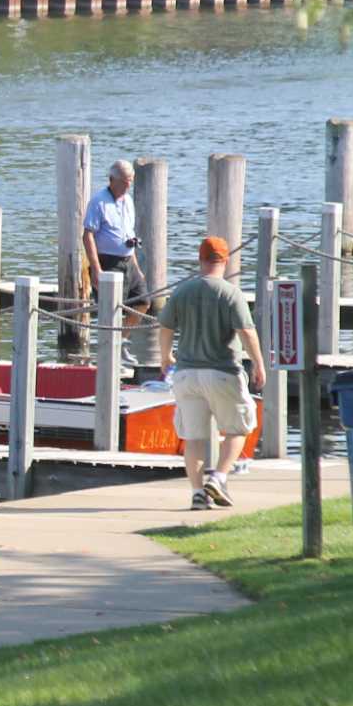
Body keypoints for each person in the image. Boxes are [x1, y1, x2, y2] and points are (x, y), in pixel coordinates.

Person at [158, 236, 266, 509]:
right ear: (226, 260)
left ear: (200, 259)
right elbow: (246, 332)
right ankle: (218, 478)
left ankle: (197, 493)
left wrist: (165, 356)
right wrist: (259, 363)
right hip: (222, 371)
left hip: (186, 374)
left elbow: (166, 327)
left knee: (193, 437)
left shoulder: (182, 291)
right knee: (239, 427)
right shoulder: (231, 293)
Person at [83, 160, 150, 321]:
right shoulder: (98, 202)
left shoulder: (128, 201)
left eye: (130, 181)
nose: (128, 186)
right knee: (111, 310)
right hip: (108, 263)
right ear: (112, 180)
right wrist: (97, 269)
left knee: (143, 302)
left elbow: (129, 236)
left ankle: (120, 339)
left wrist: (136, 267)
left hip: (128, 262)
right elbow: (88, 235)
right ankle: (110, 343)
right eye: (124, 182)